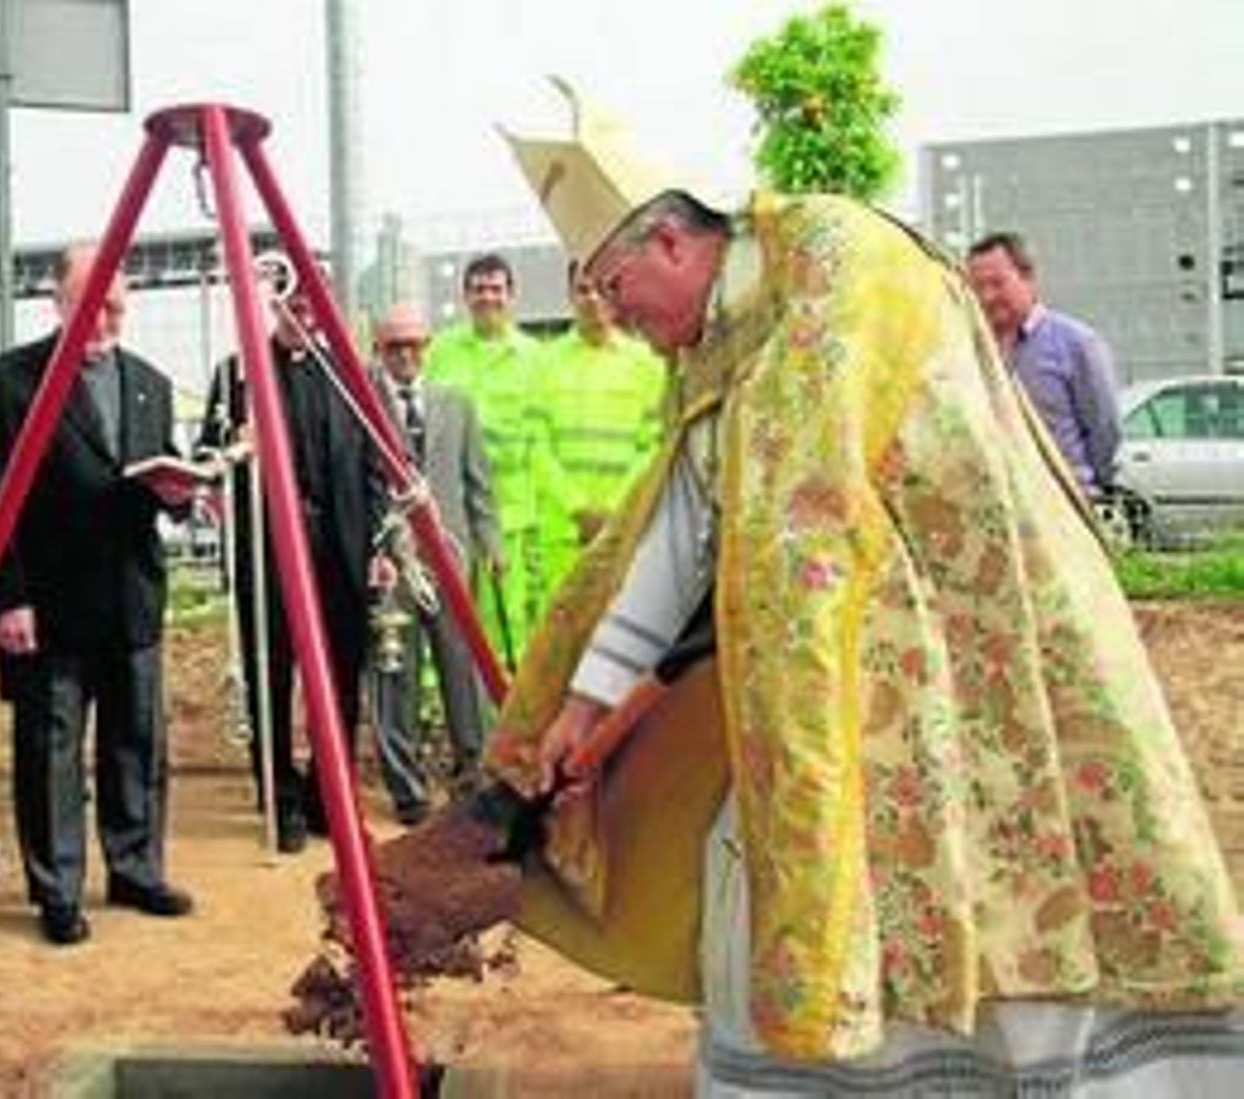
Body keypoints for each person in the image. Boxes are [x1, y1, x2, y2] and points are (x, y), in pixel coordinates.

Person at [485, 85, 1244, 1093]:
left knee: (1017, 873)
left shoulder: (838, 256)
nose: (618, 321)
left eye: (618, 291)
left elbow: (803, 513)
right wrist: (581, 706)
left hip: (979, 646)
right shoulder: (709, 342)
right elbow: (681, 531)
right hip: (829, 662)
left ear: (669, 240)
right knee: (781, 871)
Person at [0, 242, 193, 945]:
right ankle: (58, 889)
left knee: (137, 742)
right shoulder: (10, 380)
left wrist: (184, 493)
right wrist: (8, 597)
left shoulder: (150, 382)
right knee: (51, 750)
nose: (102, 321)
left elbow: (164, 484)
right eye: (88, 306)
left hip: (132, 596)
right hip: (49, 601)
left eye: (114, 308)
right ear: (58, 301)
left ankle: (135, 867)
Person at [197, 280, 381, 854]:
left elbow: (375, 464)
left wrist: (378, 546)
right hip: (270, 550)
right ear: (274, 304)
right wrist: (232, 444)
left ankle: (330, 795)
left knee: (341, 678)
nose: (303, 313)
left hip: (341, 551)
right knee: (271, 674)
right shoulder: (238, 375)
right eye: (292, 303)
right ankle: (281, 798)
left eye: (312, 304)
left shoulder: (348, 375)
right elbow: (208, 454)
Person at [368, 303, 500, 825]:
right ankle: (408, 790)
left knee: (462, 670)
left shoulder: (456, 405)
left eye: (414, 344)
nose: (405, 355)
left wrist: (490, 542)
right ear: (377, 350)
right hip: (392, 563)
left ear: (428, 347)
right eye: (393, 346)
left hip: (450, 558)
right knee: (394, 672)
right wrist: (371, 553)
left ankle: (473, 774)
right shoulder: (363, 405)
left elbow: (477, 483)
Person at [423, 253, 548, 664]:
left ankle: (502, 694)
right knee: (445, 607)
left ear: (511, 295)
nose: (487, 297)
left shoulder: (534, 357)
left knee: (504, 617)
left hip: (510, 511)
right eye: (478, 289)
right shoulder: (441, 351)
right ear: (465, 296)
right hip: (450, 508)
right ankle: (445, 695)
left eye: (496, 289)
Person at [531, 261, 665, 613]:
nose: (593, 299)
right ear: (570, 296)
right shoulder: (543, 362)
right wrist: (578, 509)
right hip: (562, 533)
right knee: (559, 632)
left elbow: (652, 445)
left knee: (619, 628)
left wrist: (613, 512)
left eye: (603, 289)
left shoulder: (647, 363)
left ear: (617, 293)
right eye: (583, 289)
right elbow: (535, 446)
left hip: (623, 528)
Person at [965, 231, 1123, 497]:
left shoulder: (1077, 344)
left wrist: (1083, 485)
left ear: (1028, 278)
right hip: (1000, 503)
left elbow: (1105, 431)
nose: (986, 296)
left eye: (997, 283)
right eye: (976, 287)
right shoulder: (969, 352)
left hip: (1066, 502)